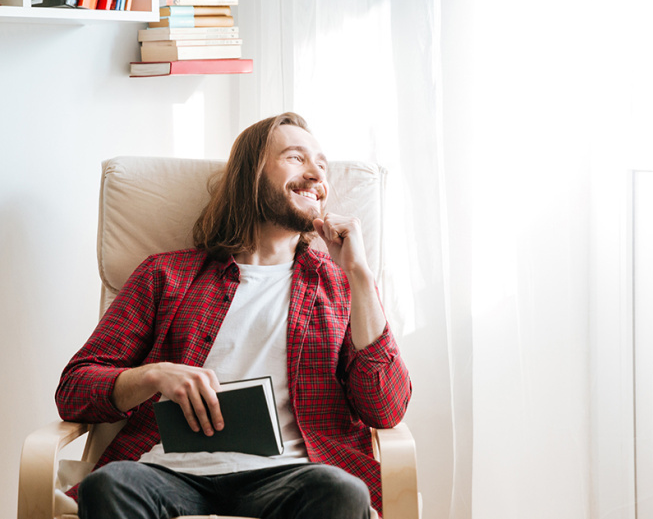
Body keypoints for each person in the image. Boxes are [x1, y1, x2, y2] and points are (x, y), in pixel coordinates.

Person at [56, 112, 412, 519]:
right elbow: (74, 389)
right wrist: (153, 375)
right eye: (297, 158)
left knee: (342, 492)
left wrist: (361, 277)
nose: (316, 173)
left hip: (292, 476)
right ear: (251, 174)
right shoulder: (165, 274)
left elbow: (386, 408)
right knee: (109, 486)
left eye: (322, 165)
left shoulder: (341, 287)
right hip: (169, 473)